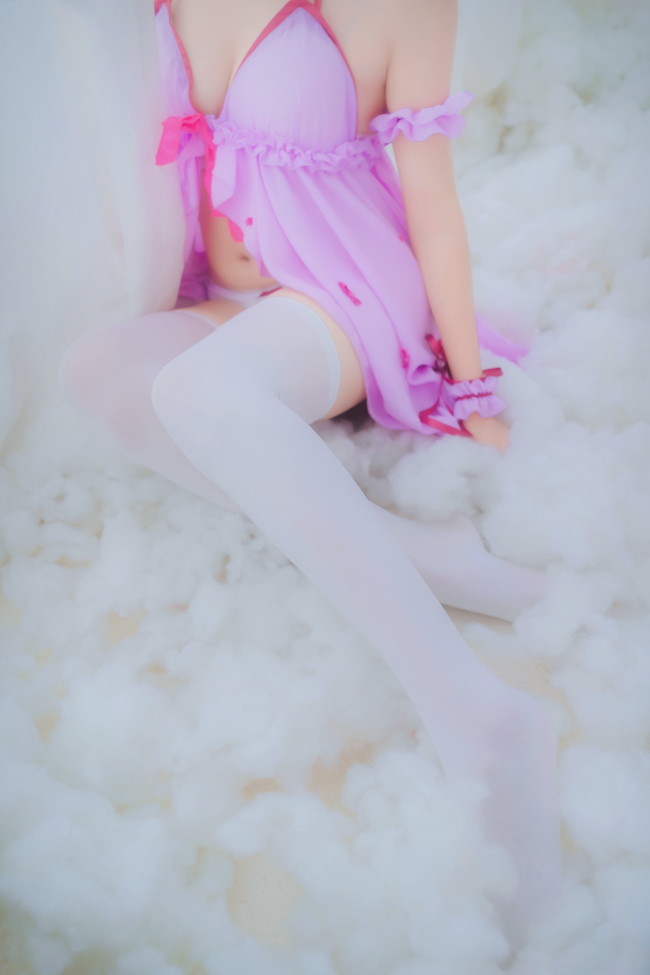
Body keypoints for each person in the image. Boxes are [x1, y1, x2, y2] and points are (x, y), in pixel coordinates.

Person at [57, 0, 564, 939]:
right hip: (234, 299)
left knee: (199, 393)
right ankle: (424, 552)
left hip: (346, 293)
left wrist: (469, 386)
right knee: (94, 371)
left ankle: (480, 715)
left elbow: (433, 211)